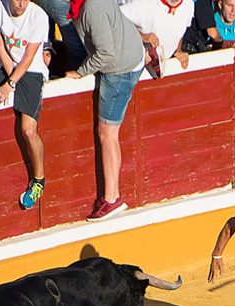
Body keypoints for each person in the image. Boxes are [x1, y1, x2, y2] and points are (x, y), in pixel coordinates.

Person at [72, 0, 145, 220]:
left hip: (120, 69)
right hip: (129, 54)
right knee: (109, 133)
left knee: (108, 134)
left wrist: (81, 71)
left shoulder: (92, 8)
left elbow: (107, 54)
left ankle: (112, 198)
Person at [0, 0, 50, 210]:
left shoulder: (38, 16)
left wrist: (11, 83)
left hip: (32, 70)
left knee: (29, 131)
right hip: (4, 66)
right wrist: (9, 78)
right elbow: (1, 44)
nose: (21, 4)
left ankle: (39, 180)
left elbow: (29, 58)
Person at [120, 0, 193, 69]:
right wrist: (141, 36)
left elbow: (181, 29)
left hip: (166, 65)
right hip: (138, 66)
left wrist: (178, 50)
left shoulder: (189, 4)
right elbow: (116, 17)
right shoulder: (145, 4)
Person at [31, 0, 86, 72]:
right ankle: (77, 73)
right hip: (62, 4)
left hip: (44, 3)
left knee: (44, 38)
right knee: (76, 47)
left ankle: (43, 71)